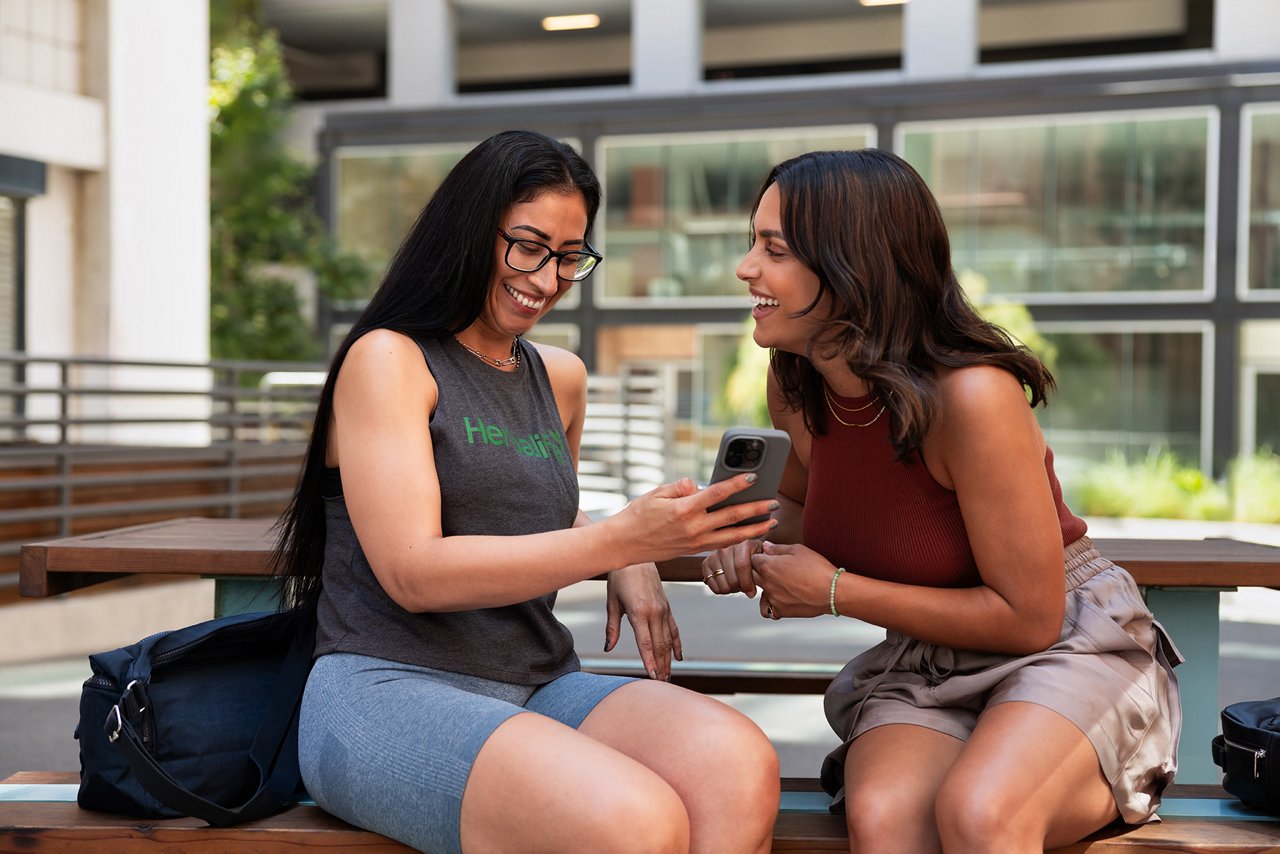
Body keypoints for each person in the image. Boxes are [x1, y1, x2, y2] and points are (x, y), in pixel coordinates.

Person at [272, 130, 781, 854]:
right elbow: (412, 571)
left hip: (538, 682)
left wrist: (624, 550)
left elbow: (529, 497)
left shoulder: (559, 377)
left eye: (570, 258)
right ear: (473, 229)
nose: (546, 280)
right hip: (383, 691)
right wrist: (619, 541)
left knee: (739, 764)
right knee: (635, 822)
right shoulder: (389, 360)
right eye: (529, 246)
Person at [700, 148, 1182, 853]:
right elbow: (812, 513)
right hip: (928, 658)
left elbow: (1028, 618)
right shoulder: (798, 388)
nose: (746, 268)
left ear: (850, 264)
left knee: (979, 815)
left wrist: (834, 592)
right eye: (754, 243)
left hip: (1067, 644)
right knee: (885, 819)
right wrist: (743, 529)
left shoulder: (973, 398)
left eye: (772, 249)